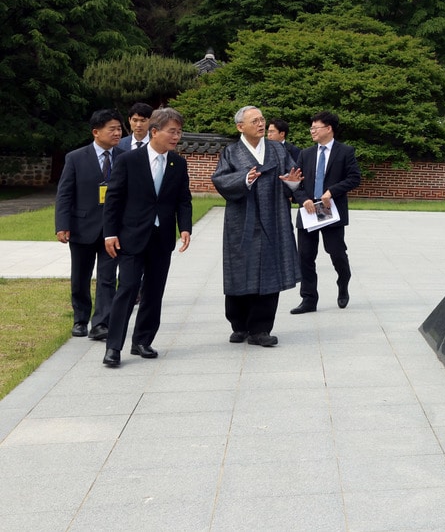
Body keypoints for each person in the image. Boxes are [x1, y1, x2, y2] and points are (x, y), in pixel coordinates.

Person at [100, 107, 192, 367]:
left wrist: (185, 227)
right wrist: (110, 233)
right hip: (131, 236)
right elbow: (113, 200)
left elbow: (183, 199)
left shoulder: (178, 163)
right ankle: (113, 347)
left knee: (154, 291)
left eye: (179, 132)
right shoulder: (129, 160)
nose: (177, 137)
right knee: (127, 288)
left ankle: (142, 341)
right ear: (155, 132)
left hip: (161, 238)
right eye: (172, 131)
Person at [211, 106, 303, 347]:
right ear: (240, 126)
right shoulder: (231, 152)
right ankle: (239, 324)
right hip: (241, 219)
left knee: (270, 271)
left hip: (274, 216)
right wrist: (244, 179)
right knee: (241, 268)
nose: (261, 124)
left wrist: (292, 184)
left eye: (262, 120)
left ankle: (261, 329)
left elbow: (290, 177)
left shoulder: (277, 150)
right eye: (255, 121)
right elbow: (219, 180)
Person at [55, 109, 127, 340]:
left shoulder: (125, 157)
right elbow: (65, 194)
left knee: (107, 278)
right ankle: (80, 319)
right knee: (80, 277)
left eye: (119, 128)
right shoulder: (75, 158)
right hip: (81, 227)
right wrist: (62, 225)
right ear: (96, 132)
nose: (117, 133)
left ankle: (101, 323)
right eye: (112, 129)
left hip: (113, 230)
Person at [291, 111, 362, 313]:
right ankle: (309, 299)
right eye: (311, 128)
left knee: (336, 252)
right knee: (305, 256)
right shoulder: (305, 154)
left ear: (329, 128)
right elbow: (295, 182)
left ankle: (343, 282)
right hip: (309, 210)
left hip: (330, 210)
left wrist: (332, 191)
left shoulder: (345, 152)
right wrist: (303, 199)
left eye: (316, 127)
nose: (312, 131)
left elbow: (354, 178)